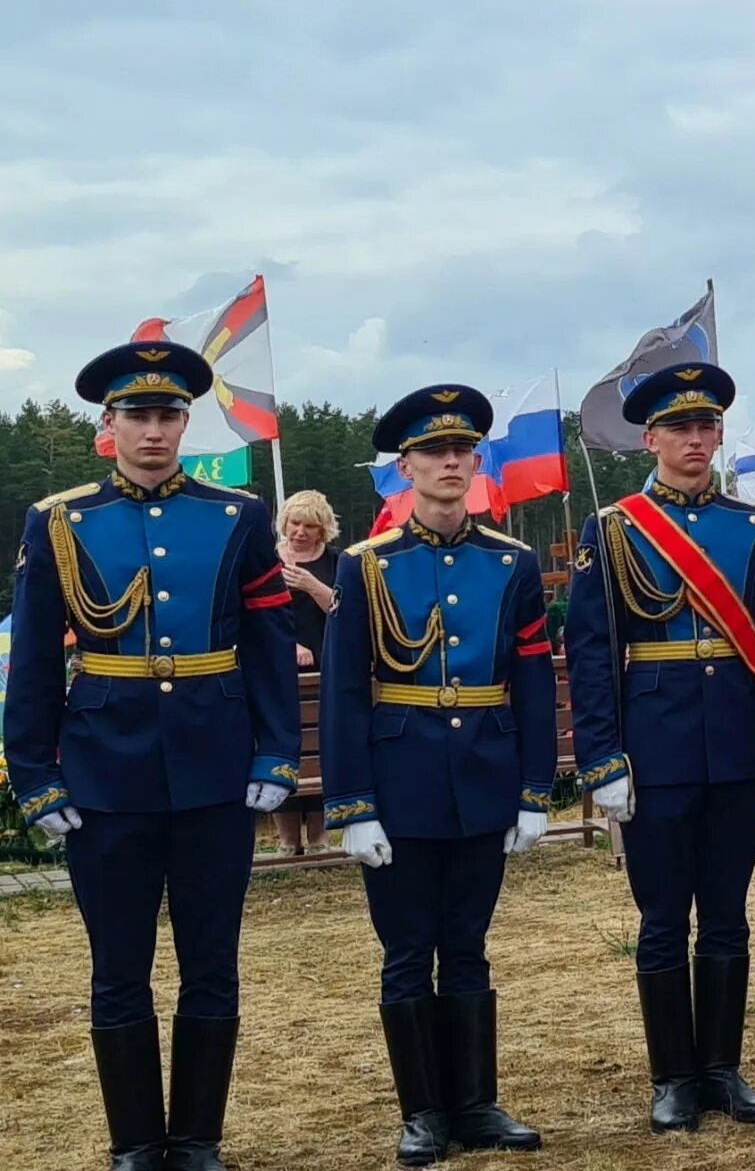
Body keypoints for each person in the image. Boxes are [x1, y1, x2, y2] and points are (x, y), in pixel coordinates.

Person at [3, 343, 299, 1171]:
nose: (155, 430)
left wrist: (276, 753)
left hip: (215, 768)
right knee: (118, 965)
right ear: (110, 426)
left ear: (185, 424)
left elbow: (271, 645)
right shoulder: (60, 520)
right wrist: (34, 773)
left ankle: (198, 1138)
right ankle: (136, 1142)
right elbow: (32, 661)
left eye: (170, 415)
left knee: (212, 959)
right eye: (138, 415)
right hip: (104, 771)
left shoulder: (238, 516)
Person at [562, 361, 755, 1135]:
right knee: (665, 917)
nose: (695, 440)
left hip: (738, 742)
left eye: (706, 427)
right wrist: (602, 760)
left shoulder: (752, 529)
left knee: (728, 915)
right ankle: (672, 1075)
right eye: (679, 429)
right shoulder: (615, 528)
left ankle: (723, 1069)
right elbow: (593, 651)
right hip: (656, 749)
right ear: (651, 439)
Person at [320, 386, 555, 1165]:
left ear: (477, 462)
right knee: (405, 947)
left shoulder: (512, 562)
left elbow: (529, 677)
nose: (449, 463)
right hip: (400, 780)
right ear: (405, 468)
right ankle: (422, 1111)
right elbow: (348, 688)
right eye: (432, 453)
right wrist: (352, 803)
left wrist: (534, 789)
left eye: (462, 451)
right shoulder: (365, 566)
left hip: (484, 774)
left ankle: (477, 1105)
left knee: (469, 945)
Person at [274, 489, 339, 855]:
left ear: (322, 529)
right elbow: (254, 616)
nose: (299, 532)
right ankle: (286, 839)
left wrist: (311, 586)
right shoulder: (266, 560)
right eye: (295, 523)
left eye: (309, 526)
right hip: (278, 671)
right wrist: (288, 646)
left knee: (321, 746)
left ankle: (318, 837)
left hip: (326, 668)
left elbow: (346, 610)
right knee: (283, 747)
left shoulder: (336, 562)